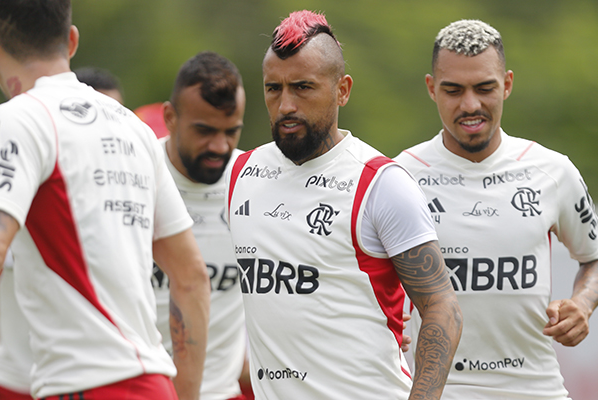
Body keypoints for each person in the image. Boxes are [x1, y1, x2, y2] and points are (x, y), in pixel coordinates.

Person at [0, 1, 210, 399]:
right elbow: (192, 277)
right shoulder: (135, 129)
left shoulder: (17, 117)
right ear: (71, 40)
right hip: (156, 387)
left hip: (83, 387)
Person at [226, 10, 462, 399]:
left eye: (303, 87)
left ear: (343, 90)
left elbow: (442, 308)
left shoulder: (381, 182)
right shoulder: (241, 173)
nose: (286, 105)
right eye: (274, 88)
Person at [395, 19, 598, 399]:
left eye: (484, 88)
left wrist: (583, 304)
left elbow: (594, 257)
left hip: (535, 389)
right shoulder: (398, 176)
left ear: (506, 84)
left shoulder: (552, 171)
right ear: (430, 88)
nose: (470, 105)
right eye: (452, 90)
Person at [0, 66, 127, 400]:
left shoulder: (126, 200)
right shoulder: (22, 187)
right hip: (18, 384)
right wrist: (15, 353)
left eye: (117, 117)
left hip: (92, 381)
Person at [148, 51, 250, 400]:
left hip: (225, 393)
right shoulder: (136, 179)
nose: (219, 146)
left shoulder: (255, 182)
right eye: (204, 131)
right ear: (170, 117)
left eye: (231, 132)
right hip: (141, 390)